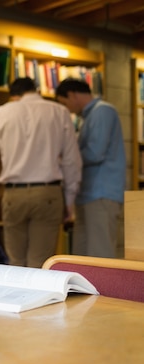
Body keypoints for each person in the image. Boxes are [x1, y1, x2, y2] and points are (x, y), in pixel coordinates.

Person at [0, 77, 82, 267]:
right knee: (41, 261)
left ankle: (18, 297)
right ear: (36, 90)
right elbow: (72, 161)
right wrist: (69, 200)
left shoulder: (3, 112)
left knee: (16, 261)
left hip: (14, 193)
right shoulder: (59, 111)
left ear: (14, 96)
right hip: (48, 193)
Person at [56, 78, 126, 258]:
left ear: (72, 95)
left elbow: (96, 152)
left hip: (101, 193)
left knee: (100, 253)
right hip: (89, 193)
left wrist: (66, 158)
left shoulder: (102, 111)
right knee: (82, 254)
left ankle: (104, 288)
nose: (67, 109)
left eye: (65, 103)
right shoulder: (89, 116)